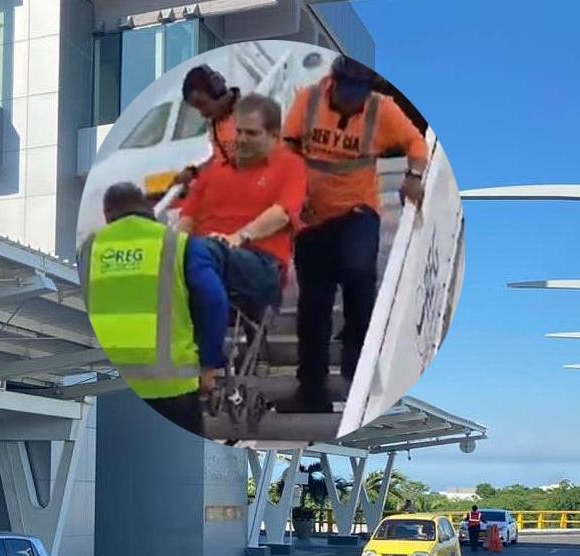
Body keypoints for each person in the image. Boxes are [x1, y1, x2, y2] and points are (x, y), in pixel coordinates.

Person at [282, 55, 429, 411]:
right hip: (312, 216)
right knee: (313, 304)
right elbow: (287, 147)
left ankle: (355, 360)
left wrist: (411, 178)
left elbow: (417, 145)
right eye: (349, 89)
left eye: (362, 90)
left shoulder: (382, 109)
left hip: (357, 212)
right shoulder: (309, 100)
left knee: (359, 274)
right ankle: (311, 391)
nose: (355, 97)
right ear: (334, 83)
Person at [79, 182, 230, 437]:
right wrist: (208, 365)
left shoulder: (90, 249)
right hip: (173, 388)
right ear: (149, 209)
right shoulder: (177, 244)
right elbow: (215, 302)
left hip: (111, 386)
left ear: (108, 215)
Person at [177, 93, 307, 321]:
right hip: (205, 258)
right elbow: (186, 221)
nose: (242, 139)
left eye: (252, 133)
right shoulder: (212, 173)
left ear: (275, 135)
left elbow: (282, 214)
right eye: (239, 131)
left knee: (205, 251)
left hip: (259, 263)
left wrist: (237, 237)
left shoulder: (290, 166)